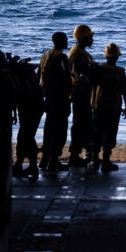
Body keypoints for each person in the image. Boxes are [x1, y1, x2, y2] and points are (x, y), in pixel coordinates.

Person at [91, 43, 126, 172]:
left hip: (99, 106)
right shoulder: (120, 71)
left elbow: (91, 83)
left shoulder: (98, 69)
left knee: (97, 134)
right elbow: (124, 91)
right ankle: (106, 161)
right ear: (117, 57)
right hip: (114, 107)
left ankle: (94, 160)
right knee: (110, 134)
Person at [68, 24, 101, 167]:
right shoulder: (77, 55)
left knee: (87, 123)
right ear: (83, 39)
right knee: (80, 123)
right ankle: (74, 154)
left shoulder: (81, 53)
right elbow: (80, 76)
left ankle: (88, 152)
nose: (92, 40)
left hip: (84, 93)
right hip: (81, 93)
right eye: (90, 38)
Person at [39, 32, 72, 171]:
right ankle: (53, 160)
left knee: (49, 127)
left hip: (48, 96)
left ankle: (45, 158)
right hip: (60, 97)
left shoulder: (45, 54)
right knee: (59, 129)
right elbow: (67, 76)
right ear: (59, 41)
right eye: (65, 39)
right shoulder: (62, 57)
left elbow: (39, 74)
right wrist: (69, 94)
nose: (67, 42)